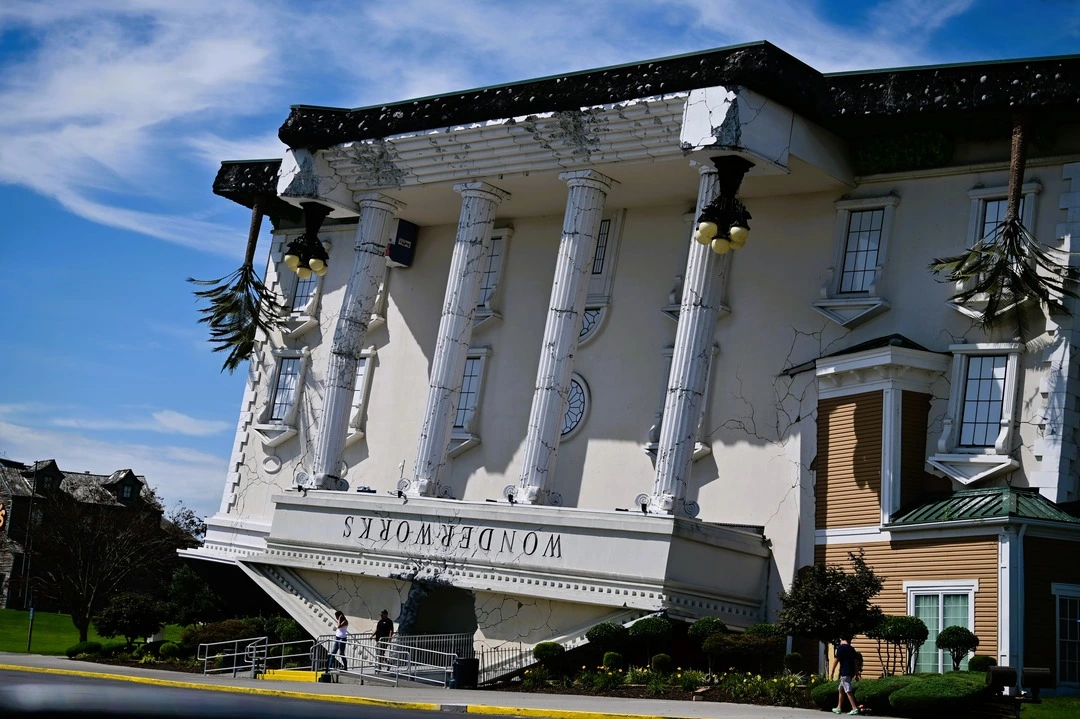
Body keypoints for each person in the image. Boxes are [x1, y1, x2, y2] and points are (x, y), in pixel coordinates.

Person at [830, 637, 860, 715]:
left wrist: (832, 672)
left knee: (848, 689)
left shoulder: (840, 648)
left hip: (845, 672)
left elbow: (836, 660)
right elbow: (855, 663)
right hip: (851, 672)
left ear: (841, 639)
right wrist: (856, 674)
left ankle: (854, 708)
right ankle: (839, 707)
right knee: (841, 689)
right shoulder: (852, 649)